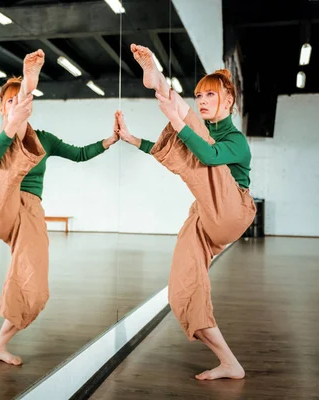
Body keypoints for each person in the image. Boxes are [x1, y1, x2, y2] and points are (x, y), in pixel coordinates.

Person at [114, 44, 256, 380]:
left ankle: (161, 86)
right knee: (182, 289)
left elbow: (207, 157)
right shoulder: (200, 132)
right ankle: (228, 362)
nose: (203, 100)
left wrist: (176, 116)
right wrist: (133, 139)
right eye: (198, 95)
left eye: (211, 94)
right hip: (206, 215)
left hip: (233, 208)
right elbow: (181, 155)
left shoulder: (237, 140)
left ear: (229, 101)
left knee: (194, 137)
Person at [0, 49, 119, 365]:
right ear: (2, 107)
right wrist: (12, 124)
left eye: (22, 100)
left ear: (30, 106)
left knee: (34, 285)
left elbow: (80, 154)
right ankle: (29, 81)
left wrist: (110, 140)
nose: (15, 105)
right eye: (10, 101)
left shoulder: (44, 140)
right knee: (6, 158)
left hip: (28, 212)